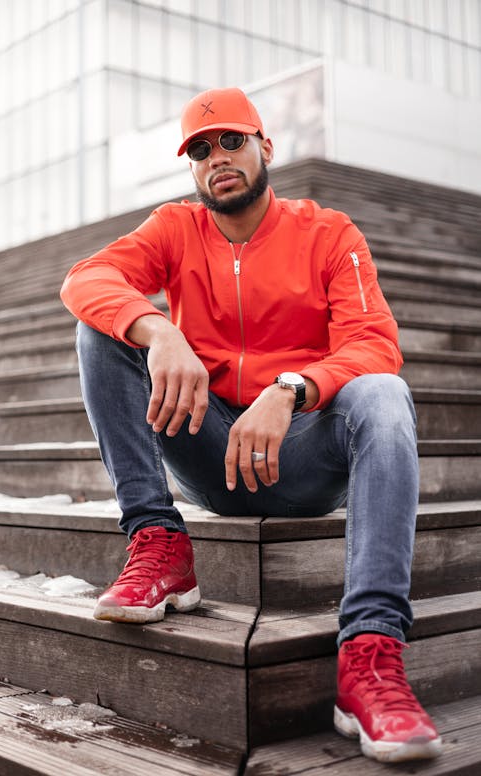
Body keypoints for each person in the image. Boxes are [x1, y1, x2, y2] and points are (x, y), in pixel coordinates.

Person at [60, 87, 442, 763]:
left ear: (266, 146)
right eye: (200, 150)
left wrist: (292, 389)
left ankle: (370, 654)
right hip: (208, 450)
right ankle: (159, 545)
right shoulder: (175, 229)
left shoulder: (329, 233)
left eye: (232, 141)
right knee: (103, 330)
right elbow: (87, 278)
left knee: (382, 391)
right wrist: (158, 330)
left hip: (304, 458)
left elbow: (374, 343)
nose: (217, 159)